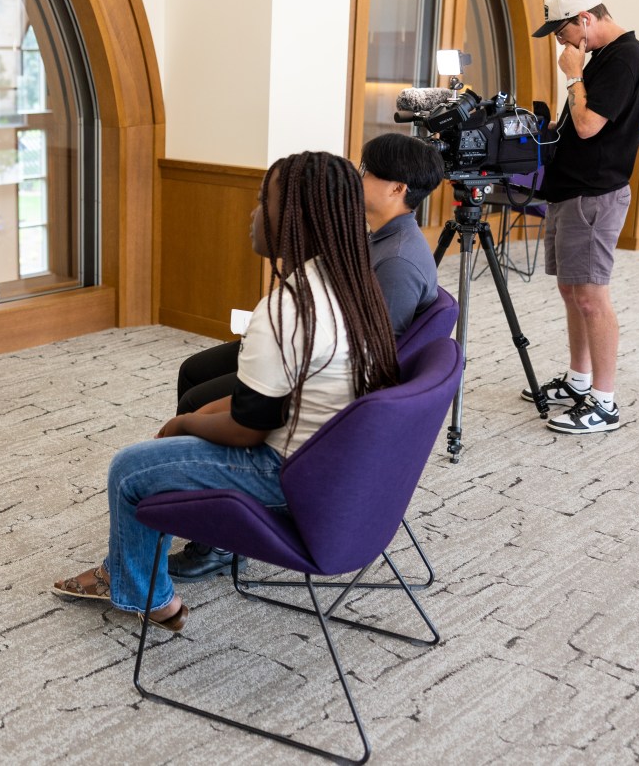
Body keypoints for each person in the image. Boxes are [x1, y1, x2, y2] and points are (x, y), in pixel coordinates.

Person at [52, 151, 400, 631]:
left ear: (296, 218)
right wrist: (193, 423)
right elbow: (269, 400)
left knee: (130, 469)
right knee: (169, 444)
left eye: (263, 201)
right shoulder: (354, 284)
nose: (251, 214)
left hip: (290, 479)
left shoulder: (289, 308)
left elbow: (249, 430)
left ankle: (148, 595)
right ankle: (129, 573)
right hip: (340, 473)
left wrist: (181, 423)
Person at [166, 133, 444, 581]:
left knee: (197, 402)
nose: (358, 177)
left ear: (398, 188)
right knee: (193, 371)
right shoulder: (378, 236)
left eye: (367, 172)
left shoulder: (397, 261)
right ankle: (200, 501)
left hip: (324, 371)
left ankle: (218, 534)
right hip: (314, 343)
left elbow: (369, 349)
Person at [527, 0, 639, 434]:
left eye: (562, 33)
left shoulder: (624, 58)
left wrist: (573, 75)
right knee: (570, 290)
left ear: (585, 19)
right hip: (571, 190)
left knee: (591, 297)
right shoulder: (601, 57)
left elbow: (587, 126)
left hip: (594, 196)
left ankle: (604, 402)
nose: (561, 43)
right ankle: (579, 380)